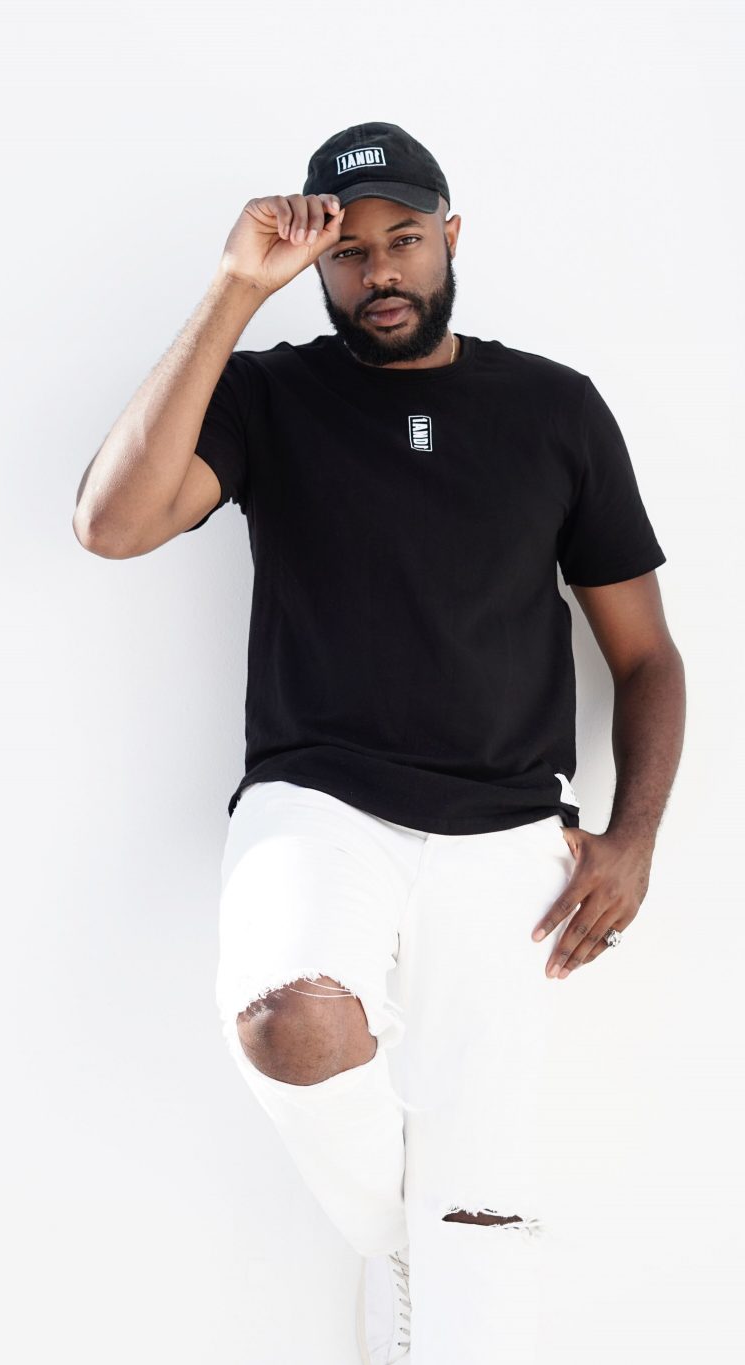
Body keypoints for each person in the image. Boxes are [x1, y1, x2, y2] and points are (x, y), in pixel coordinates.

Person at [73, 121, 686, 1363]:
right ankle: (418, 1235)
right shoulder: (270, 393)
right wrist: (235, 289)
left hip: (513, 831)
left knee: (483, 1219)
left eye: (403, 241)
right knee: (289, 1022)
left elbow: (647, 657)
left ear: (450, 237)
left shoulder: (555, 409)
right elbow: (110, 525)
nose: (379, 274)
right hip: (318, 798)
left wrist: (633, 840)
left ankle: (429, 1242)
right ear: (318, 265)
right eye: (347, 254)